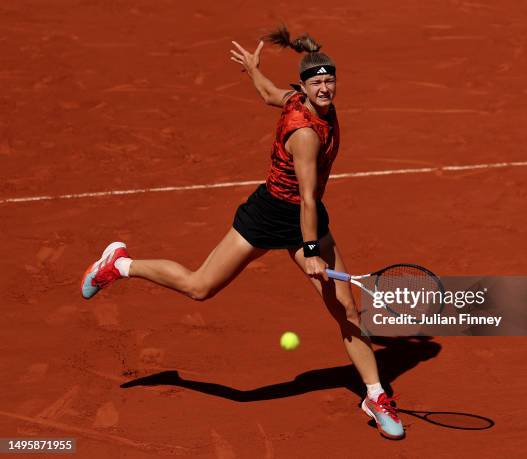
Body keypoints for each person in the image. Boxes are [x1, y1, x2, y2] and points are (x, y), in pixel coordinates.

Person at [81, 26, 404, 440]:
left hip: (307, 218)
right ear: (304, 88)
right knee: (200, 287)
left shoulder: (303, 101)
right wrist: (310, 253)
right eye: (317, 82)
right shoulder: (305, 134)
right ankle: (120, 265)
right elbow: (306, 200)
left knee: (348, 310)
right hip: (271, 215)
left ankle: (374, 396)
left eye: (329, 80)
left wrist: (253, 71)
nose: (325, 88)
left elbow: (271, 94)